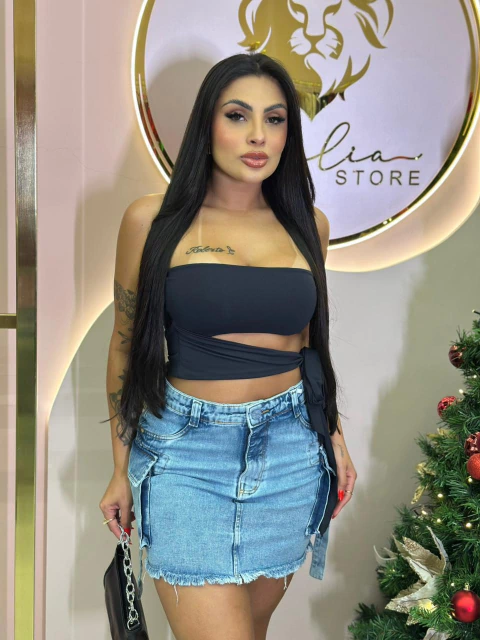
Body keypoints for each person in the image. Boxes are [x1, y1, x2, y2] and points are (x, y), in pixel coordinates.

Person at [99, 52, 357, 640]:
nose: (258, 135)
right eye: (238, 115)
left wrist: (335, 436)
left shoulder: (308, 224)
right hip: (187, 457)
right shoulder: (152, 220)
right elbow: (123, 346)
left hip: (291, 454)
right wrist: (120, 468)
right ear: (206, 124)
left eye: (275, 119)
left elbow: (308, 345)